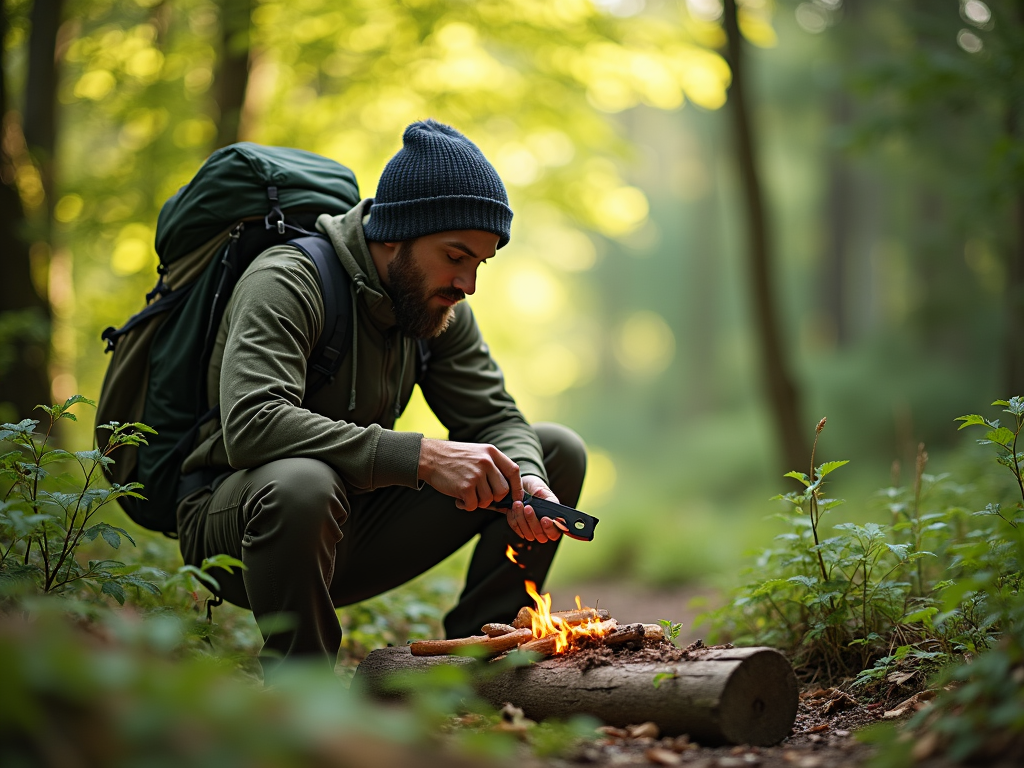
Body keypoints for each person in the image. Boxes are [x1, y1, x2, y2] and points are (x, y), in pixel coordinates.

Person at [175, 119, 587, 675]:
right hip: (244, 527)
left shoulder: (438, 308)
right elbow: (253, 424)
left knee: (554, 449)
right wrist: (421, 456)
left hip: (353, 528)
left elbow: (494, 416)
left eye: (480, 264)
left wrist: (528, 479)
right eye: (456, 255)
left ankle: (484, 663)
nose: (468, 284)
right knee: (303, 483)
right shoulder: (288, 281)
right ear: (395, 233)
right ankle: (303, 694)